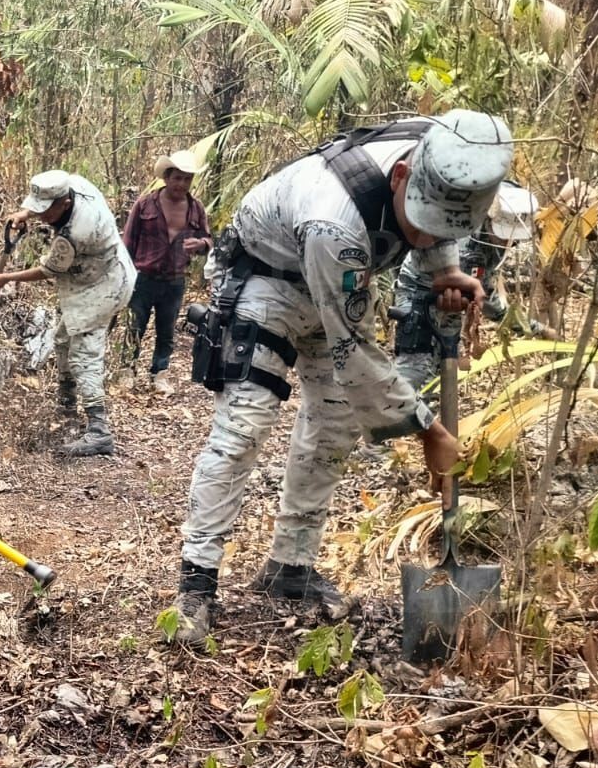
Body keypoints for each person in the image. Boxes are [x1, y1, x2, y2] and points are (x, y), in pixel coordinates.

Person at [171, 111, 514, 647]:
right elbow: (356, 352)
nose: (426, 235)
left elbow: (432, 233)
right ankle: (197, 580)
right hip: (269, 282)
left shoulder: (444, 143)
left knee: (334, 425)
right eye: (422, 220)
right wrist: (429, 432)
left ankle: (292, 564)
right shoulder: (335, 222)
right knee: (245, 425)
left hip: (339, 285)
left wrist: (445, 267)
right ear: (401, 177)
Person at [0, 171, 136, 456]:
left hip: (104, 286)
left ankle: (98, 430)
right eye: (38, 209)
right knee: (62, 339)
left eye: (46, 211)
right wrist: (25, 213)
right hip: (89, 279)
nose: (41, 217)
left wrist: (6, 278)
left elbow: (48, 270)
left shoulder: (77, 232)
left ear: (65, 203)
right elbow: (44, 206)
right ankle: (66, 404)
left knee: (84, 353)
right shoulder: (74, 184)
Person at [393, 181, 541, 393]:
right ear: (489, 217)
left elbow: (481, 291)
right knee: (416, 366)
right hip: (420, 290)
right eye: (502, 234)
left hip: (455, 300)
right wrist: (533, 328)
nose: (505, 241)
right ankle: (395, 416)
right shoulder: (462, 236)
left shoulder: (500, 236)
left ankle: (430, 414)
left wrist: (533, 328)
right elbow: (485, 298)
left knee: (445, 365)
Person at [123, 150, 213, 395]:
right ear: (166, 177)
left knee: (167, 331)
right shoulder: (145, 204)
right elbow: (128, 243)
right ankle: (126, 371)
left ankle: (159, 373)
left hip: (174, 280)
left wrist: (201, 244)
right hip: (143, 277)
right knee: (135, 326)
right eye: (178, 178)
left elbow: (208, 239)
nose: (182, 184)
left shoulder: (196, 209)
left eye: (187, 179)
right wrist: (123, 278)